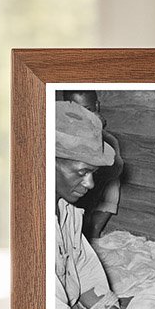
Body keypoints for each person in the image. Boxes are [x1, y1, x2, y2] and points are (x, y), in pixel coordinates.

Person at [53, 100, 124, 309]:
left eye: (93, 173)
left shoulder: (67, 208)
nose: (91, 183)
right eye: (83, 172)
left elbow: (84, 272)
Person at [64, 89, 124, 240]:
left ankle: (93, 232)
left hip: (90, 184)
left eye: (88, 110)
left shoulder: (107, 138)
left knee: (112, 184)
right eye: (77, 110)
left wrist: (96, 130)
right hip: (66, 187)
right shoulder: (61, 129)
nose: (83, 116)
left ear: (96, 106)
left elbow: (116, 169)